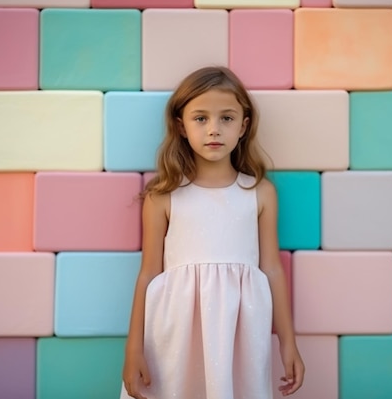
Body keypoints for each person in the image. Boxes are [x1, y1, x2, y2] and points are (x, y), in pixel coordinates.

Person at [121, 66, 304, 399]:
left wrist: (288, 341)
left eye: (227, 118)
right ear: (181, 125)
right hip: (176, 329)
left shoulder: (259, 192)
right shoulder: (163, 195)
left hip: (241, 330)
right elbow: (148, 274)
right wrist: (133, 348)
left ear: (243, 126)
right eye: (201, 118)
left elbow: (272, 269)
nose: (214, 130)